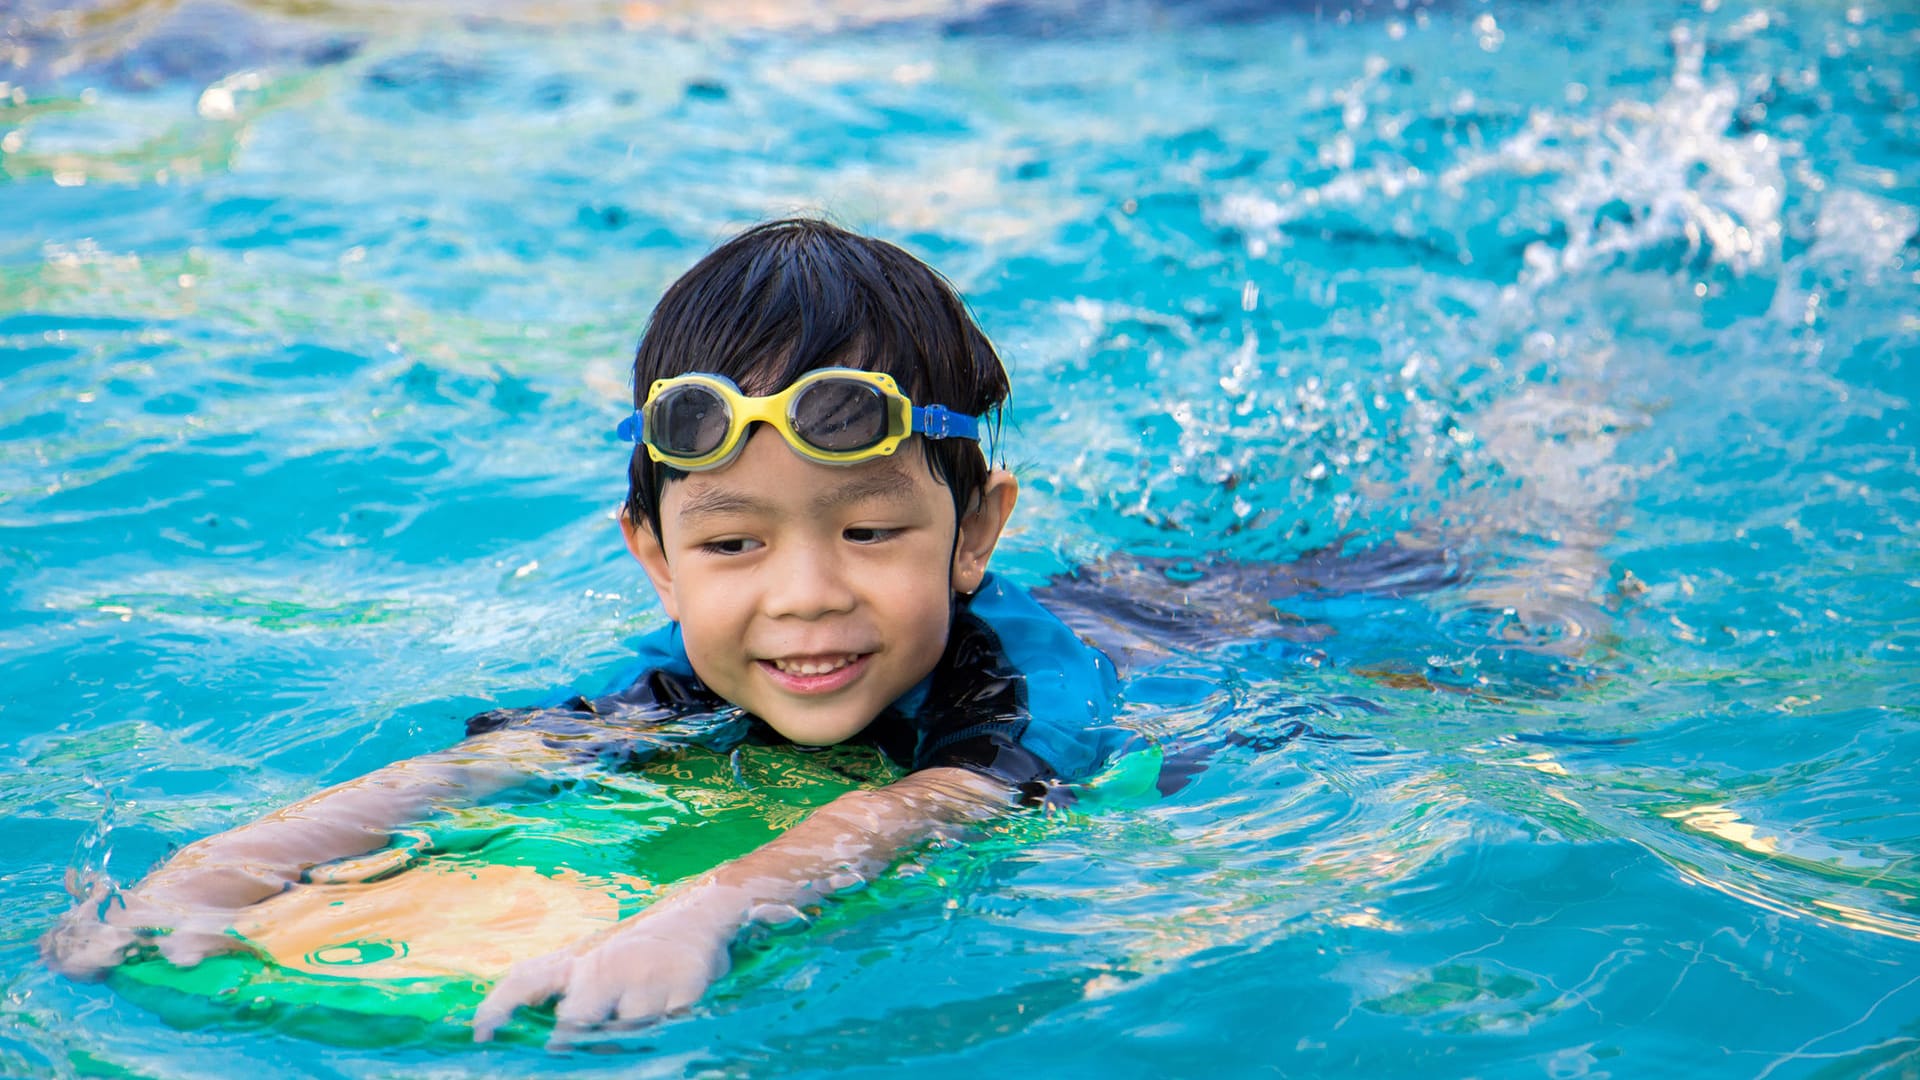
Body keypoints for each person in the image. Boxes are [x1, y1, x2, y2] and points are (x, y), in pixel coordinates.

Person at [41, 218, 1144, 1042]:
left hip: (1197, 627)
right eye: (732, 546)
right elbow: (482, 767)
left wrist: (704, 913)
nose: (804, 595)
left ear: (973, 534)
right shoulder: (696, 672)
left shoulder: (1023, 683)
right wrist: (219, 869)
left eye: (867, 529)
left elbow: (930, 805)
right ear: (655, 558)